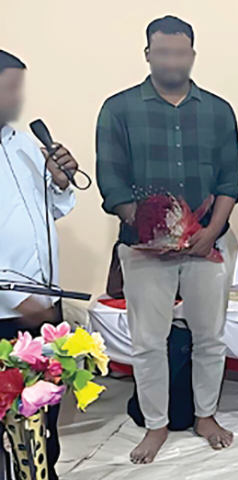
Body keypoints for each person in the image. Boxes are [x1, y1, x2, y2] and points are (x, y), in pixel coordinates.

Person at [95, 16, 238, 464]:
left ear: (192, 56)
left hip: (205, 247)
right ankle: (156, 424)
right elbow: (111, 180)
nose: (172, 61)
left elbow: (229, 180)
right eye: (163, 53)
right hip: (143, 249)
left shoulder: (217, 110)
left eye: (180, 53)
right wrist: (150, 231)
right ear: (148, 55)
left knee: (210, 337)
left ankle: (205, 415)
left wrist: (210, 233)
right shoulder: (118, 109)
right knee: (148, 340)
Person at [0, 49, 78, 480]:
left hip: (43, 306)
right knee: (7, 419)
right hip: (8, 312)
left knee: (42, 414)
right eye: (9, 88)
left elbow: (52, 209)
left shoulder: (23, 143)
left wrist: (60, 179)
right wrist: (16, 297)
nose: (17, 99)